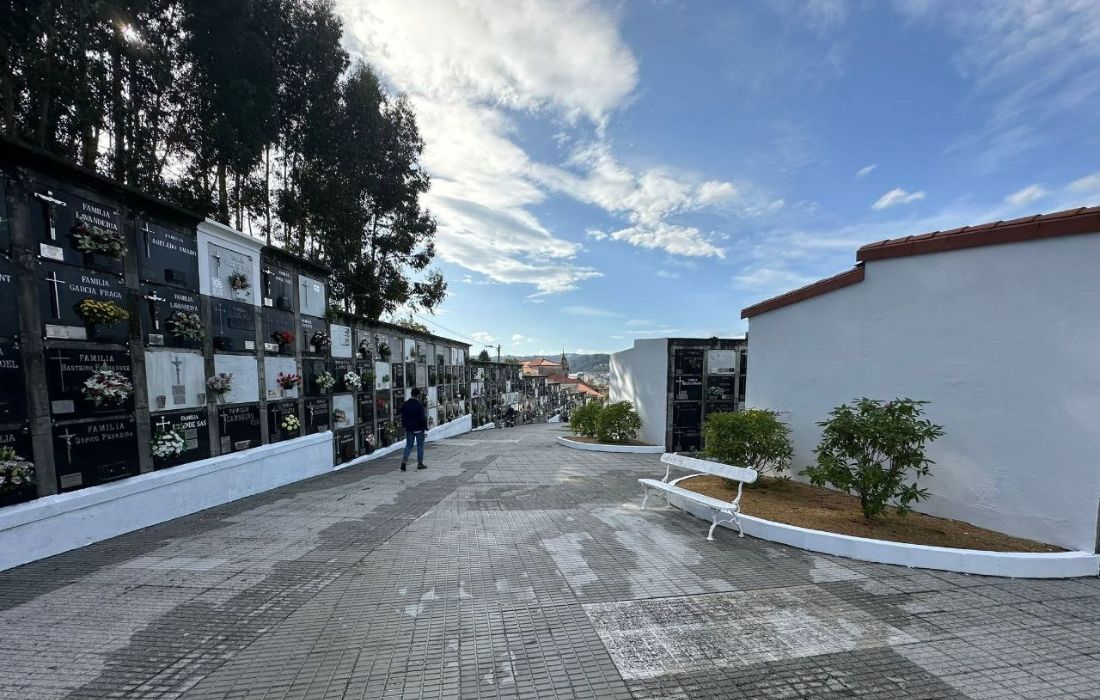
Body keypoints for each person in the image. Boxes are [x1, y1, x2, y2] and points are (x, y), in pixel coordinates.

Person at [399, 388, 428, 471]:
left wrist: (404, 426)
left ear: (411, 394)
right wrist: (425, 428)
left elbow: (403, 416)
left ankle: (404, 462)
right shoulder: (419, 405)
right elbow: (422, 418)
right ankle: (420, 464)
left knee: (409, 445)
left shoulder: (405, 404)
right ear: (418, 395)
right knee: (420, 446)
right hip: (419, 429)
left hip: (409, 429)